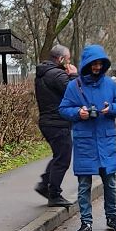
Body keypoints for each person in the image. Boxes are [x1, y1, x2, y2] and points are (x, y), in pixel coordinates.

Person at [58, 44, 116, 231]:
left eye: (99, 64)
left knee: (110, 184)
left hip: (106, 141)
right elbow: (63, 109)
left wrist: (110, 108)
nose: (97, 67)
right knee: (84, 184)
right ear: (86, 65)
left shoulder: (111, 85)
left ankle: (112, 218)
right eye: (93, 64)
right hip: (85, 142)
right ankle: (86, 222)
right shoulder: (74, 86)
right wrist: (79, 113)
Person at [32, 44, 76, 208]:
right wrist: (73, 75)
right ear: (61, 59)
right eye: (69, 59)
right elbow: (74, 93)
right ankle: (54, 194)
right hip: (58, 122)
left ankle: (45, 185)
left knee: (58, 156)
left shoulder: (42, 74)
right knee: (63, 159)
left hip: (46, 122)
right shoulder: (58, 75)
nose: (70, 62)